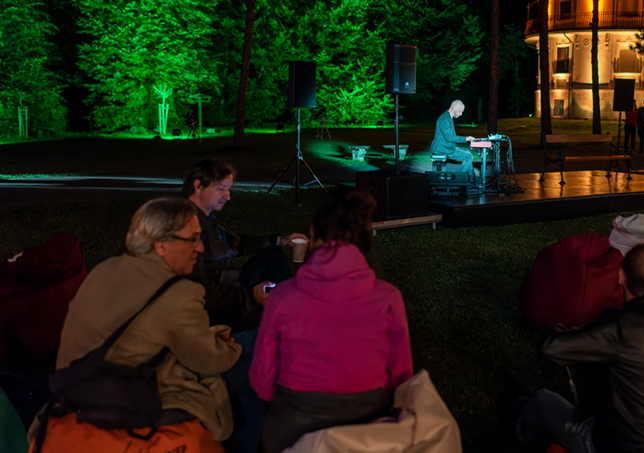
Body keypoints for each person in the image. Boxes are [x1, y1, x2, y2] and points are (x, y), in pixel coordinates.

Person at [50, 197, 241, 443]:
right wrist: (232, 348)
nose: (201, 248)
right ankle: (239, 444)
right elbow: (209, 360)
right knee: (241, 361)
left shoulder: (105, 269)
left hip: (75, 384)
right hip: (125, 396)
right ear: (160, 245)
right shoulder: (180, 294)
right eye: (192, 239)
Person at [250, 192, 413, 453]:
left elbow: (262, 378)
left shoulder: (282, 297)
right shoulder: (388, 297)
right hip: (368, 426)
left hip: (294, 424)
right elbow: (402, 376)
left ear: (314, 236)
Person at [515, 244, 644, 453]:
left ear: (621, 276)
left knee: (544, 401)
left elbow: (551, 348)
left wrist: (560, 328)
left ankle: (521, 425)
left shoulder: (618, 326)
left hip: (612, 445)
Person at [183, 158, 306, 331]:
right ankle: (291, 313)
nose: (228, 196)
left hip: (232, 283)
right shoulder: (188, 226)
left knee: (273, 253)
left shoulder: (206, 218)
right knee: (277, 311)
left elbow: (237, 243)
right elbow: (197, 288)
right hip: (218, 306)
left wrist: (279, 240)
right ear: (198, 186)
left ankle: (292, 304)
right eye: (222, 189)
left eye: (229, 189)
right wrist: (248, 296)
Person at [431, 100, 478, 181]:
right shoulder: (445, 120)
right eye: (460, 111)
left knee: (467, 151)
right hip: (443, 149)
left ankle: (473, 179)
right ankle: (458, 179)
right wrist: (466, 138)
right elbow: (449, 138)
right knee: (469, 156)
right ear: (454, 108)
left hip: (445, 147)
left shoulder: (448, 117)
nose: (461, 114)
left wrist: (468, 138)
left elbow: (451, 137)